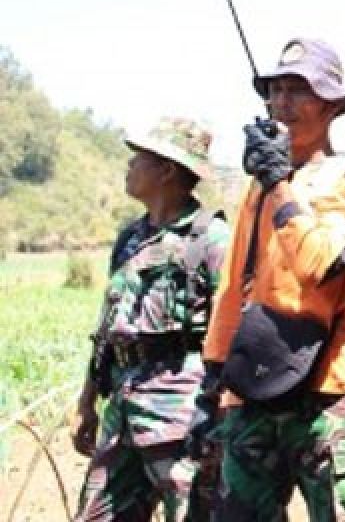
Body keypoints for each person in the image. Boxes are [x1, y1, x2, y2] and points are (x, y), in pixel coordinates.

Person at [196, 37, 345, 521]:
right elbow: (234, 285)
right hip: (253, 387)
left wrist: (279, 184)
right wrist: (214, 374)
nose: (283, 104)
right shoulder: (257, 187)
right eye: (275, 91)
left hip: (328, 391)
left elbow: (320, 262)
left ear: (332, 105)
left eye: (299, 91)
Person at [72, 116, 230, 521]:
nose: (129, 167)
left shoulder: (210, 240)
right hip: (123, 406)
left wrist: (219, 419)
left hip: (181, 413)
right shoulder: (130, 239)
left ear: (166, 170)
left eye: (138, 158)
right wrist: (88, 400)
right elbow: (107, 326)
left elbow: (229, 333)